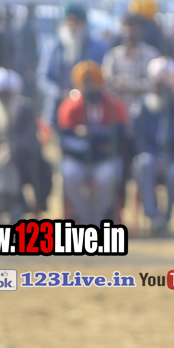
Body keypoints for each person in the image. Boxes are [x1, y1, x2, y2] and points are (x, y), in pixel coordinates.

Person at [0, 68, 49, 223]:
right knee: (4, 160)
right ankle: (15, 203)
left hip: (22, 161)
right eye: (0, 94)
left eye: (7, 94)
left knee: (9, 158)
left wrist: (11, 149)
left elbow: (31, 140)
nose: (4, 98)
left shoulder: (25, 110)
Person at [57, 61, 128, 225]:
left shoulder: (113, 103)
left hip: (105, 159)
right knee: (68, 173)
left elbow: (119, 135)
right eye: (85, 82)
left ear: (100, 83)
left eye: (93, 82)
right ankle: (84, 219)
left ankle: (98, 219)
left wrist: (89, 134)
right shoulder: (71, 105)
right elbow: (65, 139)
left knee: (109, 176)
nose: (89, 86)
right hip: (78, 160)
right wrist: (92, 143)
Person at [131, 58, 174, 236]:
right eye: (156, 84)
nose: (158, 89)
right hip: (151, 158)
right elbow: (138, 141)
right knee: (144, 163)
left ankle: (166, 216)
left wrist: (170, 159)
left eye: (163, 85)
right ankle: (153, 216)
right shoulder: (142, 108)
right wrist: (156, 158)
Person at [39, 3, 109, 123]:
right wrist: (59, 94)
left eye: (76, 22)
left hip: (86, 109)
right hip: (56, 107)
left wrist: (82, 93)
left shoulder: (98, 48)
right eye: (69, 22)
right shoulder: (52, 48)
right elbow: (42, 78)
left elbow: (102, 78)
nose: (72, 26)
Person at [103, 13, 161, 114]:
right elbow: (107, 82)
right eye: (126, 26)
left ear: (141, 29)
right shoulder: (113, 55)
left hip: (145, 111)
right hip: (118, 111)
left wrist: (128, 85)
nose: (129, 31)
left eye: (133, 26)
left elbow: (154, 85)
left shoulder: (151, 55)